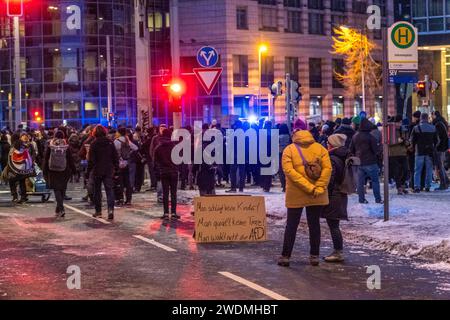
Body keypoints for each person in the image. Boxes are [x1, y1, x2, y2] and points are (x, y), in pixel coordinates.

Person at [278, 119, 332, 267]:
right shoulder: (321, 149)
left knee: (292, 225)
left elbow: (289, 172)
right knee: (314, 225)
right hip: (317, 193)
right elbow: (328, 169)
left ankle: (286, 256)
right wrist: (318, 187)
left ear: (295, 133)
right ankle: (314, 256)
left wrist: (308, 187)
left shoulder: (289, 150)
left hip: (296, 193)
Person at [321, 134, 349, 263]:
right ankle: (338, 251)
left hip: (334, 195)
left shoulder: (332, 158)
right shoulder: (344, 155)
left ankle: (338, 252)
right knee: (334, 224)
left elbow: (330, 179)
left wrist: (324, 192)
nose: (327, 144)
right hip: (341, 194)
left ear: (332, 145)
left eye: (328, 143)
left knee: (333, 225)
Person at [88, 125, 119, 220]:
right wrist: (116, 169)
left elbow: (91, 160)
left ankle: (98, 211)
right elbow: (115, 156)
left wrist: (88, 171)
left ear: (95, 133)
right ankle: (110, 210)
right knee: (109, 191)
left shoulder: (94, 144)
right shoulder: (110, 143)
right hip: (109, 169)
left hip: (97, 170)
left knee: (97, 191)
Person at [43, 131, 75, 218]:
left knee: (56, 189)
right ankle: (59, 209)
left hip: (53, 170)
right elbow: (70, 159)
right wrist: (74, 170)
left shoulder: (51, 145)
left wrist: (44, 170)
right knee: (62, 189)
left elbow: (46, 158)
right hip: (65, 170)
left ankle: (60, 209)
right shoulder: (65, 145)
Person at [351, 118, 383, 204]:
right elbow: (376, 150)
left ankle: (361, 199)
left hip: (359, 162)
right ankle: (378, 199)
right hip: (371, 162)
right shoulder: (371, 137)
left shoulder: (355, 136)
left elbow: (351, 150)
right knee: (375, 181)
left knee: (360, 182)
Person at [154, 128, 179, 220]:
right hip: (173, 172)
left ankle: (165, 213)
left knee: (165, 193)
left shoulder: (158, 148)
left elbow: (155, 162)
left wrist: (158, 171)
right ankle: (173, 212)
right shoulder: (175, 147)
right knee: (173, 193)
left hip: (163, 172)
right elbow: (179, 160)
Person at [410, 113, 437, 193]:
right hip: (429, 152)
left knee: (417, 170)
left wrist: (413, 147)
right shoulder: (433, 128)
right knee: (429, 170)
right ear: (427, 118)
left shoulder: (416, 128)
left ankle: (417, 187)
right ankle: (427, 186)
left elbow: (412, 140)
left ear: (421, 118)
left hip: (419, 151)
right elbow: (437, 140)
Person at [114, 127, 138, 205]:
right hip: (127, 163)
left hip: (119, 163)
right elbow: (136, 148)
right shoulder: (127, 141)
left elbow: (113, 152)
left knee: (119, 182)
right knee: (127, 182)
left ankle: (120, 198)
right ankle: (128, 199)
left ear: (119, 132)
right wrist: (129, 153)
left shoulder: (116, 141)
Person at [431, 111, 449, 190]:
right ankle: (446, 181)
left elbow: (437, 138)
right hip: (443, 147)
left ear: (435, 115)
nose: (431, 117)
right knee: (441, 165)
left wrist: (435, 146)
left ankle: (443, 184)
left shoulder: (437, 124)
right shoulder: (442, 122)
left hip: (439, 148)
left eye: (432, 115)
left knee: (440, 166)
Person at [278, 123, 291, 192]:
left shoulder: (278, 137)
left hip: (280, 154)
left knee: (281, 170)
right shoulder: (289, 136)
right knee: (288, 170)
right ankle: (288, 185)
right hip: (288, 154)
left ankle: (283, 186)